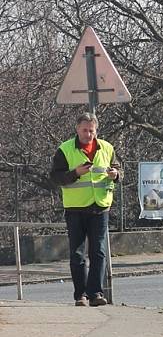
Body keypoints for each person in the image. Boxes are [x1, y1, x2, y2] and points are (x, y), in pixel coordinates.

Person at [49, 112, 122, 307]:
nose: (88, 134)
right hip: (75, 208)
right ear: (77, 129)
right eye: (84, 130)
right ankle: (80, 295)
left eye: (91, 130)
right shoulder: (65, 149)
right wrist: (75, 173)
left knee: (98, 252)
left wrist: (116, 174)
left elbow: (117, 168)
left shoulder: (106, 147)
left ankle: (95, 293)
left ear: (96, 130)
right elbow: (55, 177)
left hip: (99, 207)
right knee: (77, 254)